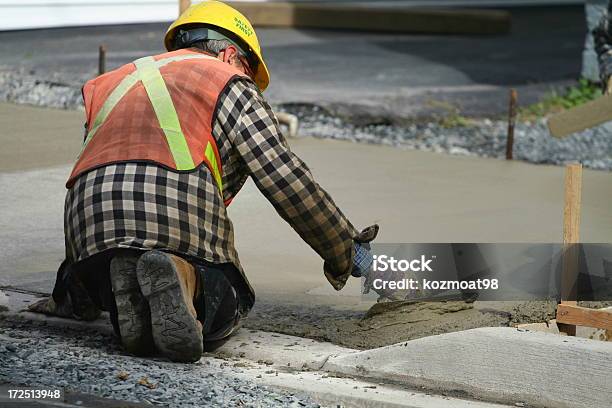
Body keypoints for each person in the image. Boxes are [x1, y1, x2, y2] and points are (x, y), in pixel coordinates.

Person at [33, 0, 378, 363]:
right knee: (227, 298)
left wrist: (67, 293)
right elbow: (286, 179)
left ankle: (122, 291)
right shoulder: (229, 83)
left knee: (115, 274)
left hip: (87, 238)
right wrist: (349, 252)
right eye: (247, 67)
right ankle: (184, 276)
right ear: (230, 54)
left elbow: (96, 178)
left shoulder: (117, 80)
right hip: (173, 221)